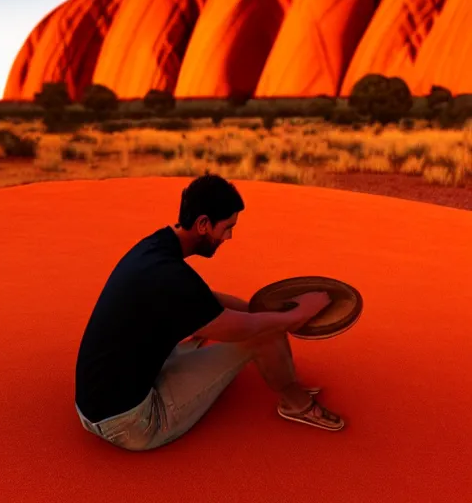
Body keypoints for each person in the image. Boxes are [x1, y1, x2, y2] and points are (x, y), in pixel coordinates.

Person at [74, 173, 344, 451]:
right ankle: (296, 403)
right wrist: (299, 314)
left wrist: (256, 308)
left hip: (94, 405)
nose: (229, 236)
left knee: (254, 319)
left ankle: (286, 379)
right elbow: (247, 328)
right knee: (265, 332)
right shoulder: (175, 280)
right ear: (203, 224)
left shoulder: (156, 248)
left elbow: (204, 299)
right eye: (227, 227)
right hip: (130, 424)